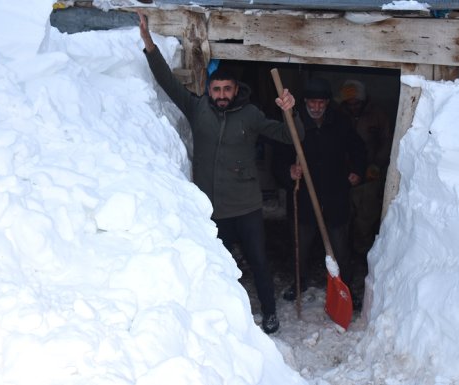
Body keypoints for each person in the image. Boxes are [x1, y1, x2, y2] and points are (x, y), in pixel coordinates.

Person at [138, 12, 304, 334]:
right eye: (217, 89)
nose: (222, 94)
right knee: (219, 266)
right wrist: (149, 44)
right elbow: (167, 81)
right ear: (209, 90)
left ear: (235, 89)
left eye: (227, 89)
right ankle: (224, 318)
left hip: (246, 207)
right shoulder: (197, 108)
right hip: (212, 210)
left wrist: (290, 112)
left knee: (258, 261)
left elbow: (289, 136)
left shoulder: (251, 115)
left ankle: (270, 312)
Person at [278, 77, 366, 303]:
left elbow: (358, 148)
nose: (316, 107)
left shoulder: (340, 122)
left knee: (340, 248)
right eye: (312, 102)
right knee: (300, 247)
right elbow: (277, 156)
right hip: (304, 197)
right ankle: (299, 282)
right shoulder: (293, 123)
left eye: (321, 103)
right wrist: (289, 171)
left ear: (327, 103)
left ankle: (345, 288)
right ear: (305, 101)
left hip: (335, 195)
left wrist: (357, 170)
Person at [339, 79, 393, 310]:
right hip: (345, 175)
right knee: (344, 217)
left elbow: (387, 141)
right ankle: (345, 255)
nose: (353, 106)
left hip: (370, 175)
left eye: (356, 102)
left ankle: (363, 256)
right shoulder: (339, 115)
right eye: (349, 103)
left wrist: (377, 165)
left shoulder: (377, 115)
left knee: (366, 217)